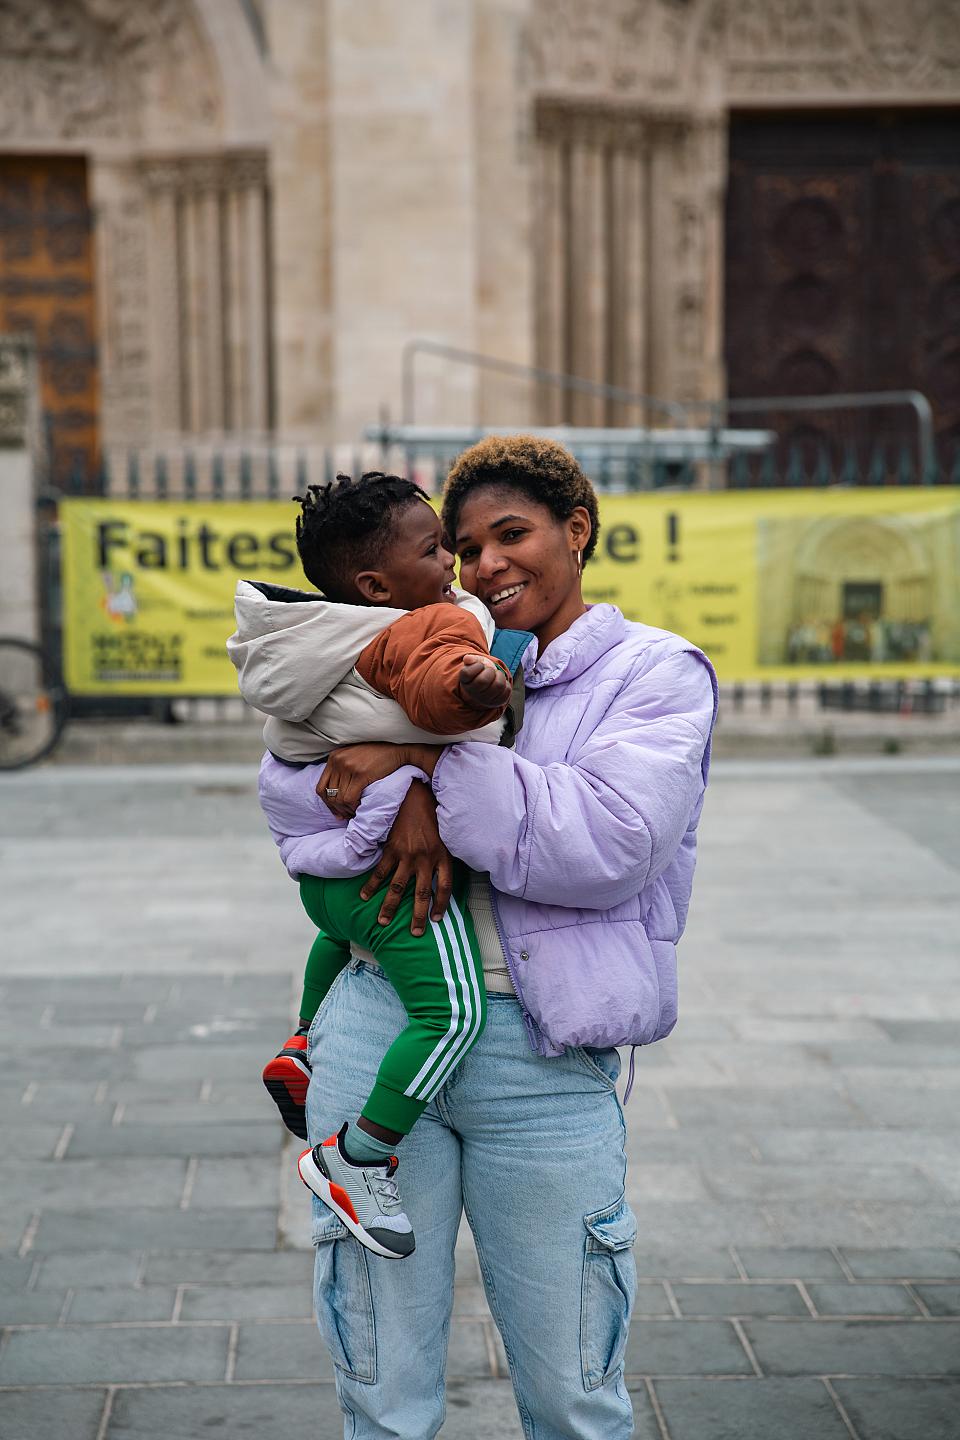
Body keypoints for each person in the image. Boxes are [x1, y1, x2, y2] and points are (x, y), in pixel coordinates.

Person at [268, 435, 718, 1439]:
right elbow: (296, 792)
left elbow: (613, 840)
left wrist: (413, 771)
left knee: (571, 1396)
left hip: (541, 1064)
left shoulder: (654, 673)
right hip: (379, 1025)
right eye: (466, 548)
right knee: (382, 1394)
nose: (486, 565)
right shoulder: (415, 644)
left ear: (578, 530)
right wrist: (398, 784)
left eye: (511, 534)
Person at [228, 472, 532, 1259]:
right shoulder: (420, 625)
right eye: (438, 551)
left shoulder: (306, 632)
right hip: (385, 877)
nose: (455, 568)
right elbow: (435, 688)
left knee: (340, 941)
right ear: (376, 583)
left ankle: (301, 1041)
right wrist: (478, 684)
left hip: (328, 888)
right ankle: (355, 1159)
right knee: (454, 1013)